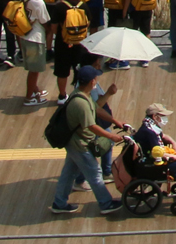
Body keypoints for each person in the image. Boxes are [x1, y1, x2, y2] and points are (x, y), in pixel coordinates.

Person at [49, 65, 127, 215]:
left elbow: (97, 109)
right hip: (79, 145)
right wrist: (111, 136)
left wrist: (115, 121)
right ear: (92, 81)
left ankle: (59, 203)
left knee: (69, 173)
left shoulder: (83, 95)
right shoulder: (81, 103)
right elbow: (91, 126)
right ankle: (106, 203)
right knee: (95, 173)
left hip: (74, 143)